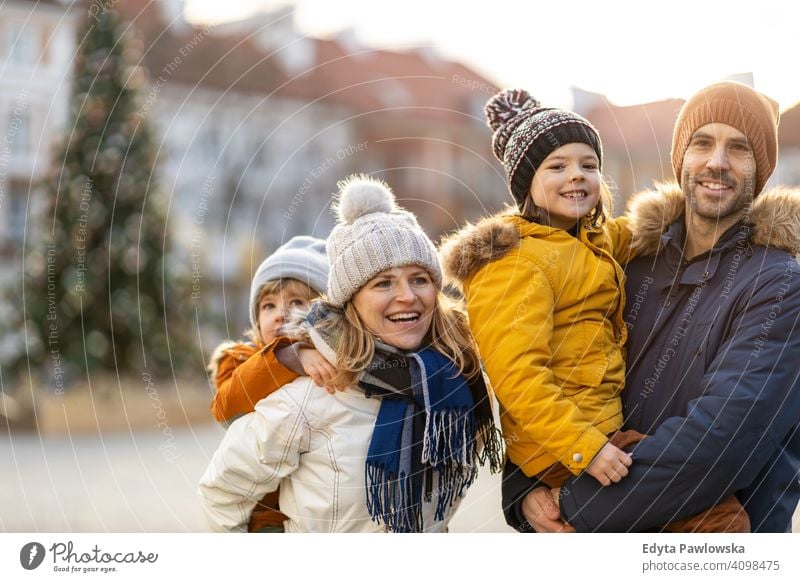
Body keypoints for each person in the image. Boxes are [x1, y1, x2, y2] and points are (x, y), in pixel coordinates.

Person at [441, 89, 748, 532]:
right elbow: (518, 378)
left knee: (718, 508)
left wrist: (704, 195)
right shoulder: (515, 262)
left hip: (600, 429)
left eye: (589, 165)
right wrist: (586, 449)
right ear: (526, 182)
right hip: (567, 447)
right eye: (557, 167)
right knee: (722, 520)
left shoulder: (589, 240)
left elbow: (633, 230)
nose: (577, 176)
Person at [501, 81, 800, 532]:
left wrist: (571, 504)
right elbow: (549, 372)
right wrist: (525, 492)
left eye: (738, 148)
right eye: (702, 143)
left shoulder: (779, 286)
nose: (716, 162)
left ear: (762, 168)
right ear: (680, 156)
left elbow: (719, 443)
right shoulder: (630, 263)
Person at [199, 175, 502, 533]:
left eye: (419, 279)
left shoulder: (456, 385)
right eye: (383, 283)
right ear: (351, 302)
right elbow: (222, 493)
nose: (407, 295)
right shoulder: (313, 390)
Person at [207, 235, 333, 531]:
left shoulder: (334, 361)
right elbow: (226, 405)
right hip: (267, 515)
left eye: (297, 302)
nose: (281, 314)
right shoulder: (238, 359)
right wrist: (289, 357)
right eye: (268, 305)